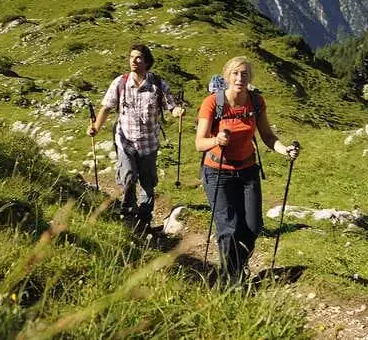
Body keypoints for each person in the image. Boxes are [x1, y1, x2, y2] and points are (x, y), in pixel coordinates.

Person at [195, 56, 298, 285]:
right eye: (235, 73)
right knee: (229, 228)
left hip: (247, 170)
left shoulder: (256, 102)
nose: (240, 78)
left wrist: (285, 150)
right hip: (217, 171)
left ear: (250, 77)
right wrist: (216, 140)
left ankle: (238, 268)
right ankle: (231, 281)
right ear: (226, 76)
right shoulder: (213, 103)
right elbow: (199, 143)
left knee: (252, 227)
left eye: (244, 74)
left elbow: (268, 137)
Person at [88, 44, 185, 230]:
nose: (134, 60)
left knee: (147, 182)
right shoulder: (120, 83)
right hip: (125, 140)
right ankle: (127, 212)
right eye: (131, 57)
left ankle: (144, 218)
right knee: (129, 176)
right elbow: (106, 108)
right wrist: (95, 127)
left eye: (138, 57)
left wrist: (178, 111)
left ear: (147, 61)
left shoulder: (158, 84)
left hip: (149, 143)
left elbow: (171, 107)